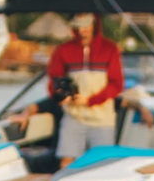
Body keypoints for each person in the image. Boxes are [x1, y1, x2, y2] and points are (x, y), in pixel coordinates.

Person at [43, 11, 124, 167]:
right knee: (66, 160)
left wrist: (90, 100)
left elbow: (116, 84)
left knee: (103, 164)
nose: (82, 31)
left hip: (102, 119)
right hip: (73, 117)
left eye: (86, 26)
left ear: (94, 25)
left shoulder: (110, 49)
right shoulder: (63, 50)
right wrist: (60, 95)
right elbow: (54, 80)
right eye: (78, 26)